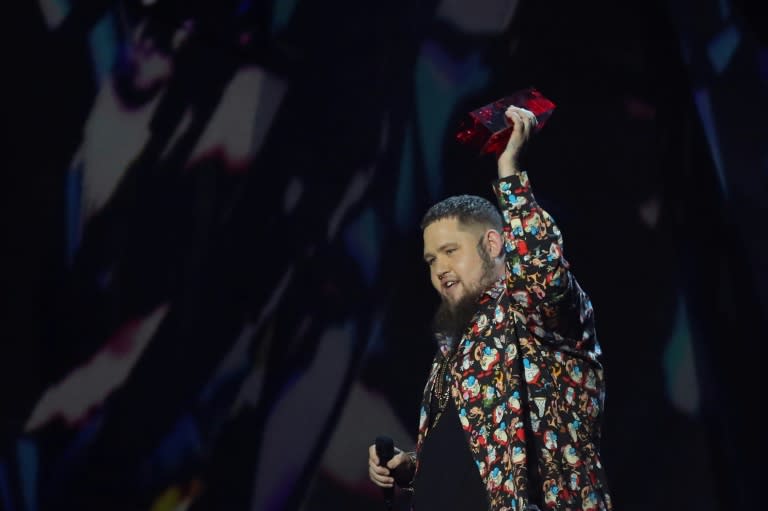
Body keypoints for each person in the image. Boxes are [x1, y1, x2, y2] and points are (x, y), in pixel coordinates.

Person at [368, 105, 613, 510]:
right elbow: (479, 455)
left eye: (450, 251)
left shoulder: (533, 317)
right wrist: (412, 468)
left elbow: (543, 273)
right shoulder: (454, 346)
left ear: (494, 245)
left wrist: (510, 170)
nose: (440, 269)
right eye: (431, 260)